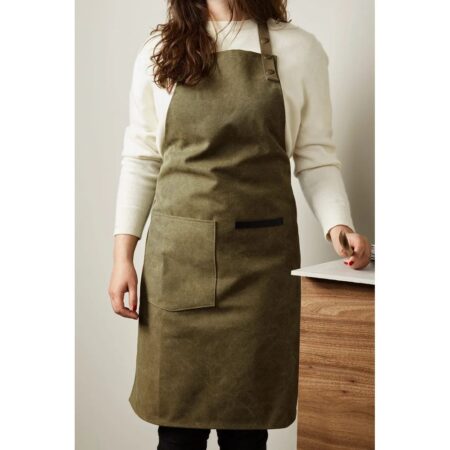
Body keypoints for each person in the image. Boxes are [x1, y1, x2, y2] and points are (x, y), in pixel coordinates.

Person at [108, 0, 371, 448]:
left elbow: (315, 155)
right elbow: (142, 158)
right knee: (176, 433)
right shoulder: (160, 49)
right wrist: (122, 256)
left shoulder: (299, 49)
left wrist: (338, 226)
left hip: (260, 270)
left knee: (247, 435)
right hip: (179, 262)